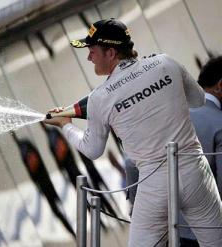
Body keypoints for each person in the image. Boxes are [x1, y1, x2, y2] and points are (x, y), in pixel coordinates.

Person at [43, 18, 222, 246]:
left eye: (92, 50)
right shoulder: (165, 62)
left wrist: (64, 125)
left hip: (154, 182)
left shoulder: (100, 97)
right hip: (195, 170)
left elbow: (92, 149)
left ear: (110, 52)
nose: (89, 57)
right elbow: (197, 100)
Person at [190, 56, 222, 196]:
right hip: (210, 215)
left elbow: (131, 164)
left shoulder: (170, 114)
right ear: (220, 86)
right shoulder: (219, 122)